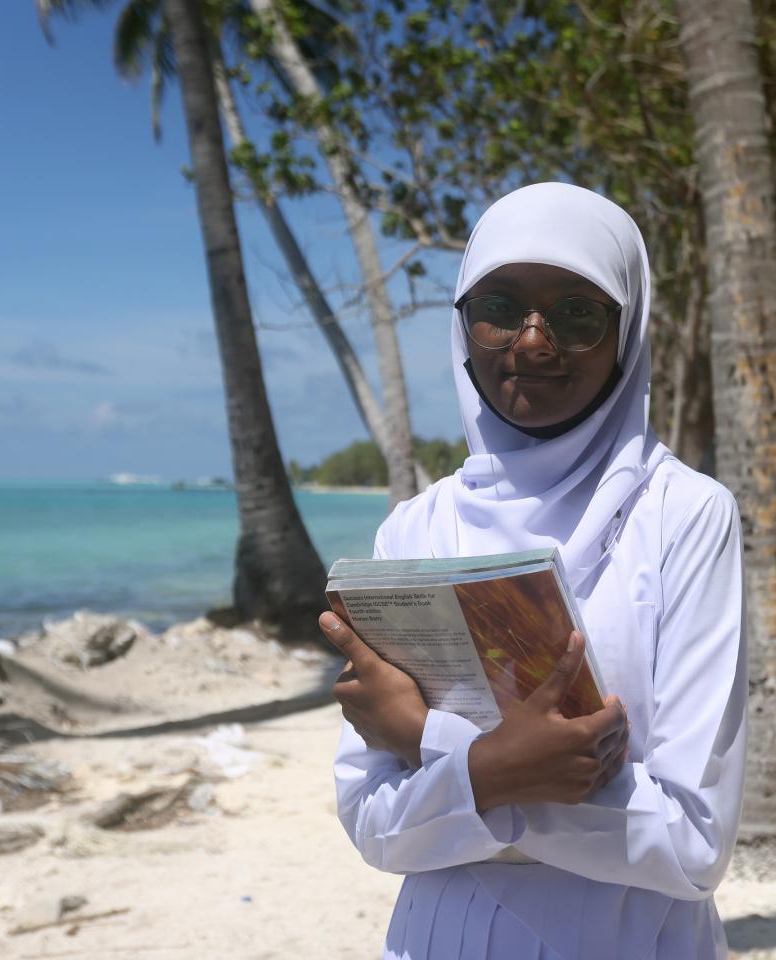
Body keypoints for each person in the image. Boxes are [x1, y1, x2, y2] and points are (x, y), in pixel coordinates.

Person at [320, 182, 748, 959]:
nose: (532, 341)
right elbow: (371, 822)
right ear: (463, 325)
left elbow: (692, 842)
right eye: (500, 306)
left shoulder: (684, 515)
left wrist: (442, 749)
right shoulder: (416, 529)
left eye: (578, 314)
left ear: (630, 332)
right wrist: (502, 775)